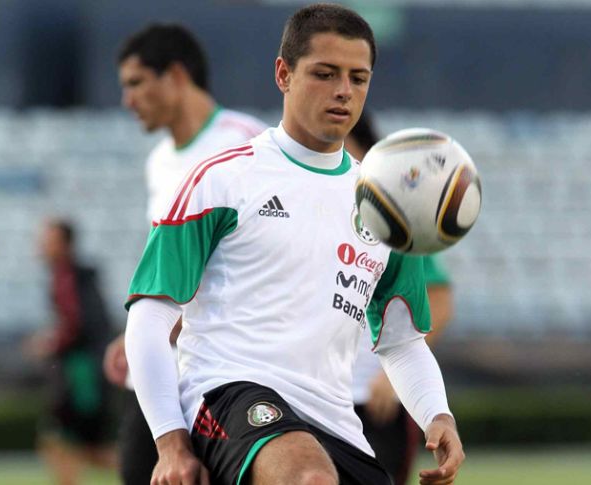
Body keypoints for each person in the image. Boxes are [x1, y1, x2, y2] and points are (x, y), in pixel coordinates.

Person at [124, 4, 465, 485]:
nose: (344, 91)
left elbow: (401, 341)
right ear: (283, 74)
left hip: (334, 420)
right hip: (227, 396)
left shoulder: (386, 209)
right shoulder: (222, 180)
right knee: (309, 479)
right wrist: (170, 442)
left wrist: (437, 414)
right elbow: (148, 317)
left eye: (358, 77)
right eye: (325, 74)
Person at [101, 22, 268, 485]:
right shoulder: (159, 162)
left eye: (136, 83)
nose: (127, 100)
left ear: (175, 75)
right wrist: (140, 329)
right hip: (161, 380)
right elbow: (170, 271)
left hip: (227, 377)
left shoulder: (246, 145)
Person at [346, 112, 456, 485]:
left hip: (375, 399)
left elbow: (437, 302)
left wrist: (392, 380)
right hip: (309, 398)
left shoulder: (393, 223)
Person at [24, 218, 117, 485]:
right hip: (83, 372)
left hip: (82, 376)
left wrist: (49, 343)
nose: (42, 246)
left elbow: (78, 325)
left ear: (65, 244)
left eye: (49, 241)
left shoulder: (70, 279)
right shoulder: (71, 277)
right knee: (70, 446)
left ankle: (147, 471)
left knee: (65, 444)